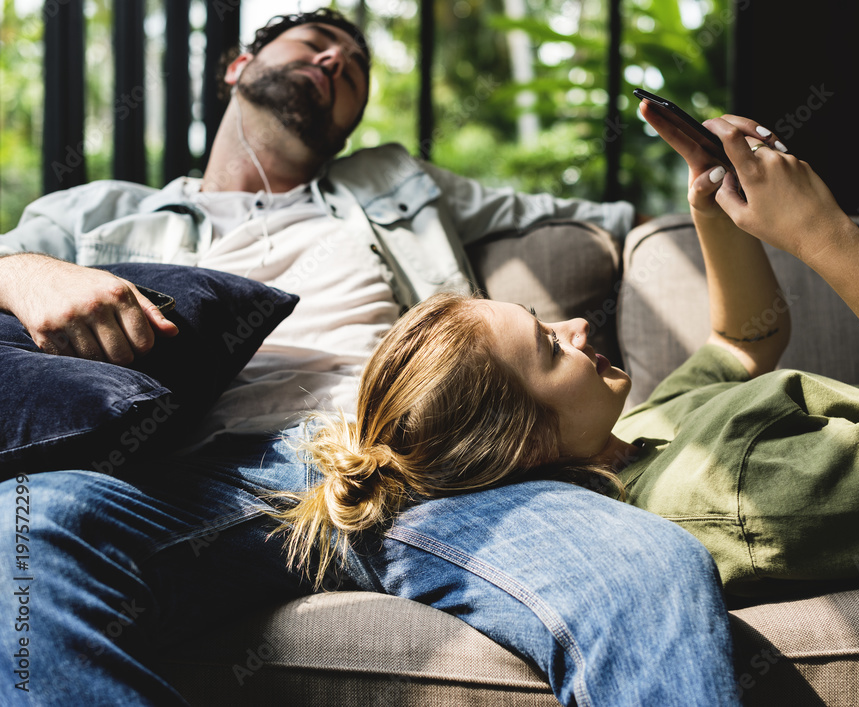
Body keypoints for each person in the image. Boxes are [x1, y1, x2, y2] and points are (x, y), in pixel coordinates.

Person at [0, 9, 741, 706]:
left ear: (351, 124)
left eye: (356, 69)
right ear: (238, 66)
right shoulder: (91, 214)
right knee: (20, 534)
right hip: (210, 476)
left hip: (430, 464)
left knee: (644, 565)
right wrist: (26, 273)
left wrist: (717, 181)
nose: (337, 60)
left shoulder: (393, 182)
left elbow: (585, 218)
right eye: (317, 43)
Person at [276, 98, 859, 602]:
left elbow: (746, 341)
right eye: (550, 350)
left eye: (543, 319)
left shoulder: (634, 439)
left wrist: (710, 208)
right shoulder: (724, 493)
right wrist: (824, 234)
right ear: (526, 446)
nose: (578, 329)